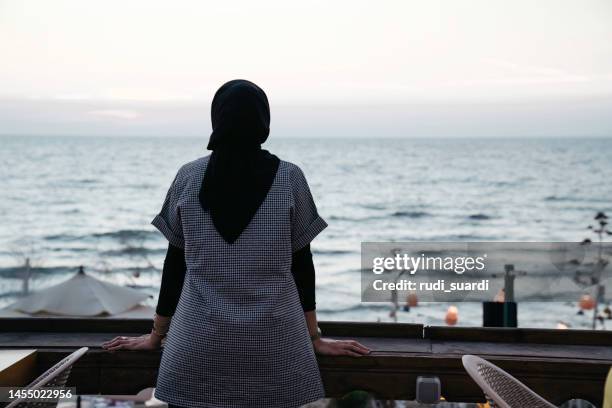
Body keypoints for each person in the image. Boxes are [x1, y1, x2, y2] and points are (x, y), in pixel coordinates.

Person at [102, 79, 370, 408]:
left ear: (217, 120)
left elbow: (175, 266)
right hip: (274, 350)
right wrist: (315, 338)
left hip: (196, 348)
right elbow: (302, 266)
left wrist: (156, 336)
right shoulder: (290, 178)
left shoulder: (188, 176)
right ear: (263, 123)